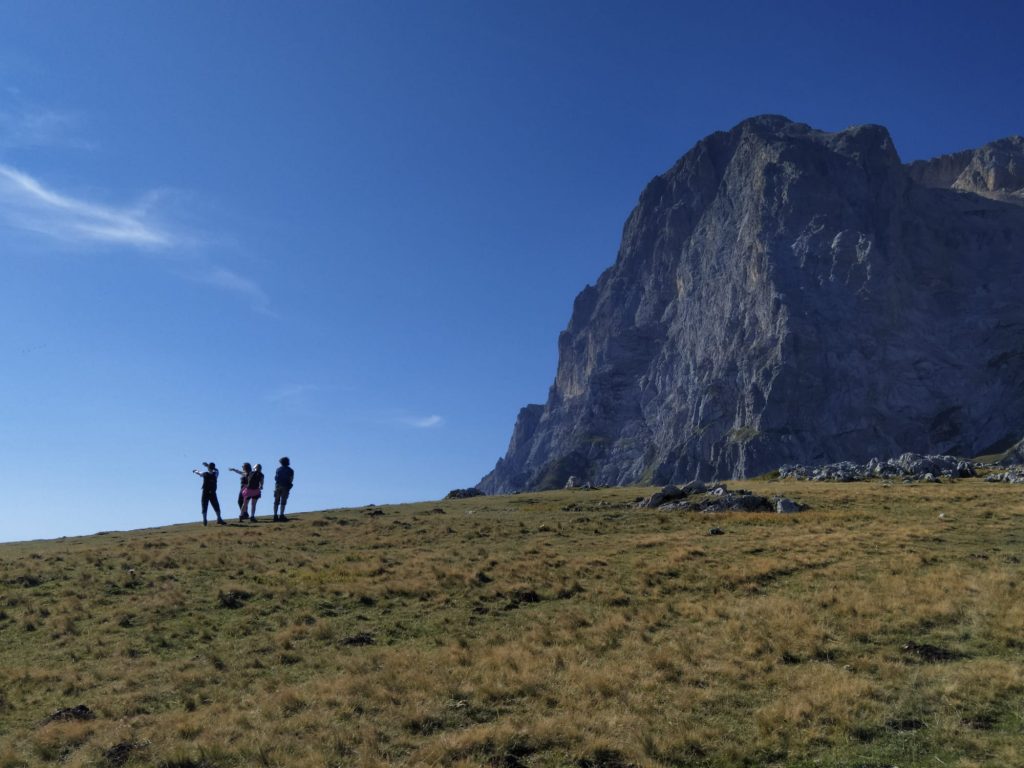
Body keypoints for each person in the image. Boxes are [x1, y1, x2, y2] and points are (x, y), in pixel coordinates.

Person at [193, 462, 225, 526]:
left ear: (208, 468)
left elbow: (198, 472)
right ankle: (219, 519)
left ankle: (205, 520)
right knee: (216, 505)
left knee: (204, 505)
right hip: (213, 492)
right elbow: (217, 470)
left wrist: (195, 470)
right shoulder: (216, 474)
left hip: (205, 492)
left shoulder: (204, 474)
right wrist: (207, 465)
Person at [273, 456, 294, 521]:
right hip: (285, 486)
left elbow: (275, 478)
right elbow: (291, 479)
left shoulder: (278, 469)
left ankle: (275, 515)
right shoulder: (290, 470)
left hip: (277, 486)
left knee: (276, 501)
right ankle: (281, 515)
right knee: (283, 501)